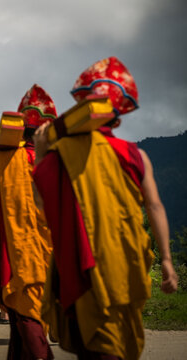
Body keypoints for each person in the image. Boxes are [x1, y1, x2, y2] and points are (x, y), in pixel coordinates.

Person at [32, 56, 178, 360]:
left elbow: (42, 208)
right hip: (125, 266)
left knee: (94, 348)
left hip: (79, 266)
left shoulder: (60, 155)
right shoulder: (135, 155)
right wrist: (166, 259)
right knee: (117, 346)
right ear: (119, 119)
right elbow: (155, 207)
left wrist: (42, 153)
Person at [0, 85, 57, 359]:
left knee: (23, 317)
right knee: (30, 315)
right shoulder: (57, 159)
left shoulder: (3, 158)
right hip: (48, 253)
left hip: (14, 254)